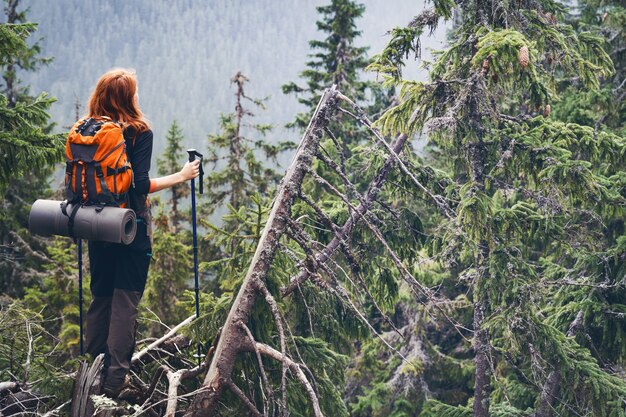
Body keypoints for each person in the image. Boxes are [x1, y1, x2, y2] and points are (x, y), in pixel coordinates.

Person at [83, 68, 200, 398]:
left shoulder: (91, 129)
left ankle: (90, 374)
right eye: (133, 92)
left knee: (101, 299)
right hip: (131, 228)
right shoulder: (138, 132)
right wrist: (181, 176)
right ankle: (114, 384)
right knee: (125, 303)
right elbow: (139, 184)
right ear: (125, 97)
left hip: (97, 225)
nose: (137, 96)